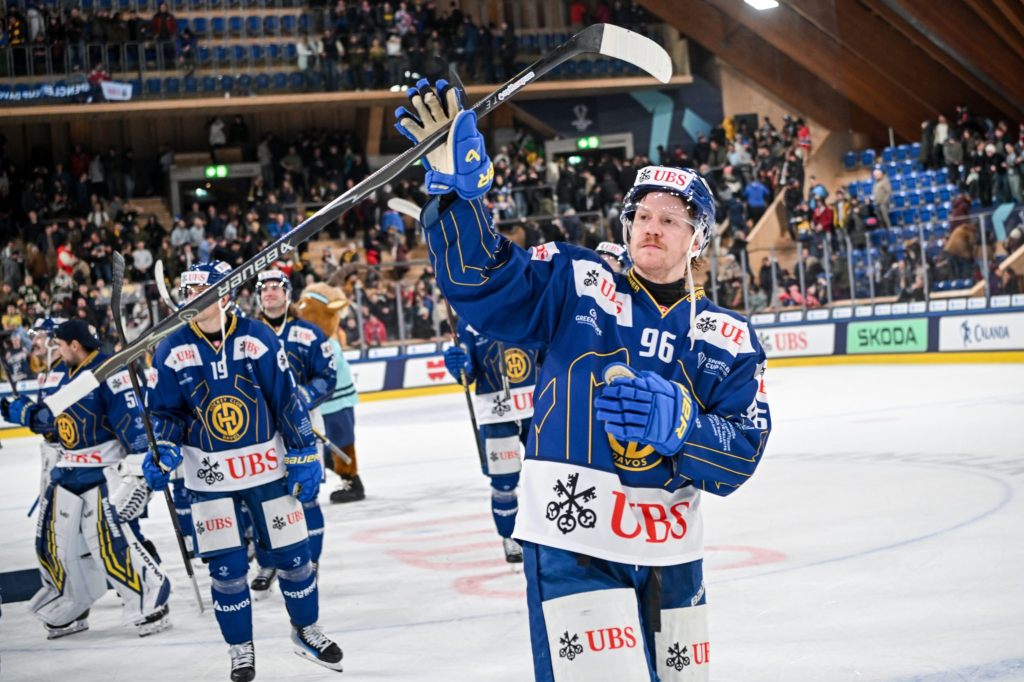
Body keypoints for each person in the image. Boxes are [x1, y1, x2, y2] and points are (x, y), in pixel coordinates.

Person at [394, 80, 771, 681]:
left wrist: (682, 426)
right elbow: (484, 284)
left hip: (670, 553)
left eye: (670, 219)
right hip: (574, 538)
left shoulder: (727, 338)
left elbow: (741, 455)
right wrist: (461, 196)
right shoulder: (578, 281)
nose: (651, 227)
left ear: (698, 238)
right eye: (641, 216)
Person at [142, 262, 343, 681]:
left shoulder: (256, 337)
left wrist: (303, 451)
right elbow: (164, 413)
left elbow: (286, 399)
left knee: (295, 558)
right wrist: (162, 446)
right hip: (209, 477)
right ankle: (240, 649)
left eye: (200, 290)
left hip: (266, 469)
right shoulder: (171, 347)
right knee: (227, 571)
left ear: (225, 294)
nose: (191, 298)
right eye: (187, 290)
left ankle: (305, 630)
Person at [0, 320, 172, 639]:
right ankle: (71, 603)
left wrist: (140, 472)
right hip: (68, 468)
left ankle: (149, 597)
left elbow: (135, 428)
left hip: (103, 471)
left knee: (110, 543)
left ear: (75, 345)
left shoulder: (109, 371)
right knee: (53, 544)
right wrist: (25, 414)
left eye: (59, 344)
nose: (55, 348)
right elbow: (53, 423)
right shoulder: (62, 374)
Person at [247, 269, 335, 598]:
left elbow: (327, 376)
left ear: (287, 293)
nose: (269, 292)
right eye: (264, 288)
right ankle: (268, 562)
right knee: (263, 499)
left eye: (276, 287)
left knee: (306, 496)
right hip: (261, 432)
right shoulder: (248, 334)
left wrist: (304, 396)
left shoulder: (308, 333)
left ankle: (311, 562)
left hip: (302, 426)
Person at [443, 318, 542, 563]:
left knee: (549, 474)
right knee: (504, 483)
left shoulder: (529, 308)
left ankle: (553, 534)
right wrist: (460, 367)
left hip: (539, 408)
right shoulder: (469, 322)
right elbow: (468, 375)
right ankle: (510, 536)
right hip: (497, 414)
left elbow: (548, 354)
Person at [294, 282, 364, 503]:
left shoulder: (327, 344)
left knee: (342, 441)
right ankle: (345, 476)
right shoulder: (308, 340)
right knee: (323, 445)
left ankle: (352, 480)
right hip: (322, 403)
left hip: (336, 402)